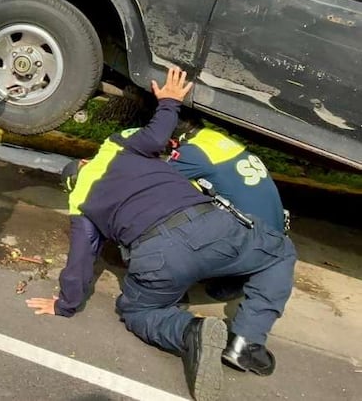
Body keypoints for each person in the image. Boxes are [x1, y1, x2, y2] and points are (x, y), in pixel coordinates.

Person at [26, 67, 296, 401]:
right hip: (213, 226)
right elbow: (157, 136)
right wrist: (169, 102)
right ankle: (247, 340)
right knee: (280, 252)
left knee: (138, 312)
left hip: (159, 255)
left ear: (71, 183)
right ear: (83, 161)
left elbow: (80, 261)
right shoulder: (115, 146)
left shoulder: (79, 202)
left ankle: (190, 331)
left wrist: (64, 304)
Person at [167, 115, 289, 301]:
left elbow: (155, 182)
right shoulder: (219, 141)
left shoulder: (194, 153)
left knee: (166, 204)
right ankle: (231, 280)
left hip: (246, 244)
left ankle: (169, 293)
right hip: (272, 241)